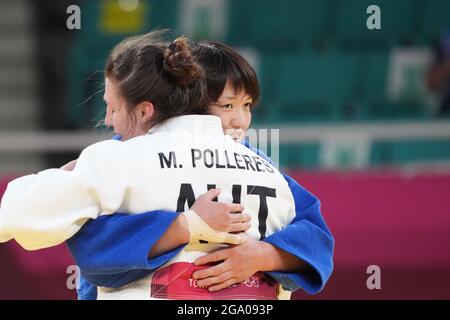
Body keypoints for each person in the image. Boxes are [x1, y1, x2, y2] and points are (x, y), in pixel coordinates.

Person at [0, 32, 310, 300]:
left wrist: (190, 229)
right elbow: (317, 240)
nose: (108, 120)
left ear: (146, 109)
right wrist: (267, 254)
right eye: (228, 105)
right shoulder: (268, 171)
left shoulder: (116, 159)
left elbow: (25, 221)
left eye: (112, 108)